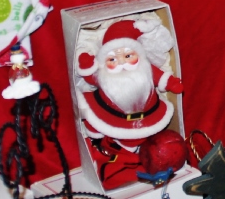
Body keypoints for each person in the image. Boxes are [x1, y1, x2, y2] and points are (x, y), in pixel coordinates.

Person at [76, 18, 183, 187]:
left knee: (140, 137)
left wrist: (171, 83)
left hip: (146, 115)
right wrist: (85, 63)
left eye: (127, 56)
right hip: (108, 113)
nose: (122, 63)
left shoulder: (145, 69)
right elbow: (90, 75)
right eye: (113, 59)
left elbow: (159, 76)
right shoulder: (104, 74)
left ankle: (132, 151)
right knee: (93, 118)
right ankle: (107, 144)